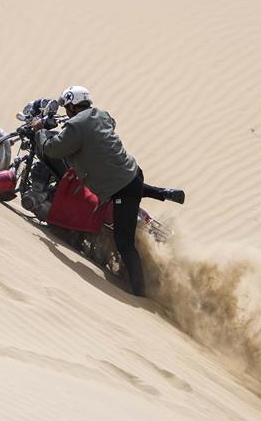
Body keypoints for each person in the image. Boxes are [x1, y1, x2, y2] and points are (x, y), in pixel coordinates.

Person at [30, 85, 184, 296]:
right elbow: (110, 122)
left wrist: (40, 130)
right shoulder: (99, 115)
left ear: (73, 106)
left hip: (120, 189)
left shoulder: (75, 127)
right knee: (125, 183)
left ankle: (140, 293)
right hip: (133, 173)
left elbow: (53, 149)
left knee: (124, 241)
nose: (66, 111)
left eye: (67, 107)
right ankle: (162, 192)